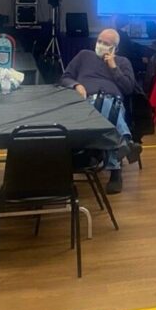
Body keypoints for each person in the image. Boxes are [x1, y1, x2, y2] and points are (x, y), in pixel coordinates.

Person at [60, 28, 138, 193]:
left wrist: (113, 67)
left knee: (107, 104)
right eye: (99, 41)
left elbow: (129, 88)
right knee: (103, 106)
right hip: (85, 101)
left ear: (115, 48)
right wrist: (76, 85)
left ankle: (120, 151)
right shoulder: (84, 55)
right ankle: (122, 150)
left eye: (106, 44)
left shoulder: (123, 62)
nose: (101, 45)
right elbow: (65, 77)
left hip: (113, 100)